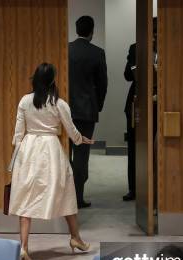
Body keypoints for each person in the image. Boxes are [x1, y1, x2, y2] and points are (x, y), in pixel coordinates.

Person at [8, 63, 93, 260]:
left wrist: (18, 158)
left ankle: (24, 247)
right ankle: (75, 237)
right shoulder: (59, 103)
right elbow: (71, 131)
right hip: (51, 150)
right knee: (66, 192)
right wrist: (82, 139)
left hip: (29, 149)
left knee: (25, 198)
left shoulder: (25, 101)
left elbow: (18, 134)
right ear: (52, 80)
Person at [68, 15, 108, 208]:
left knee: (64, 154)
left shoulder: (66, 49)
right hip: (86, 112)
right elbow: (102, 84)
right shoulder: (97, 53)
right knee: (82, 154)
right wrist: (97, 105)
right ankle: (78, 197)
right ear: (92, 31)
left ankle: (63, 198)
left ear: (76, 30)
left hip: (64, 110)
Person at [123, 43, 136, 201]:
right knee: (133, 146)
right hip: (135, 102)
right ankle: (133, 188)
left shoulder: (167, 46)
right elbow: (127, 75)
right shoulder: (135, 48)